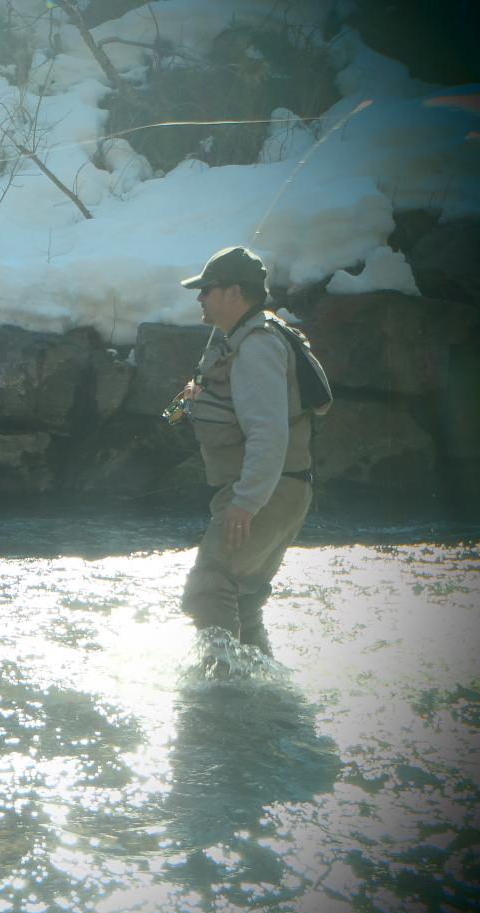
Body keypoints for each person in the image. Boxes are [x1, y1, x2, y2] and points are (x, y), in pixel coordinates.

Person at [177, 246, 315, 655]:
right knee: (242, 598)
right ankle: (259, 683)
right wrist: (181, 405)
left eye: (207, 289)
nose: (200, 297)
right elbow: (187, 408)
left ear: (234, 292)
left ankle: (220, 682)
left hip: (265, 492)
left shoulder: (257, 346)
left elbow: (269, 432)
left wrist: (246, 503)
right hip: (279, 489)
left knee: (210, 587)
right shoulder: (239, 341)